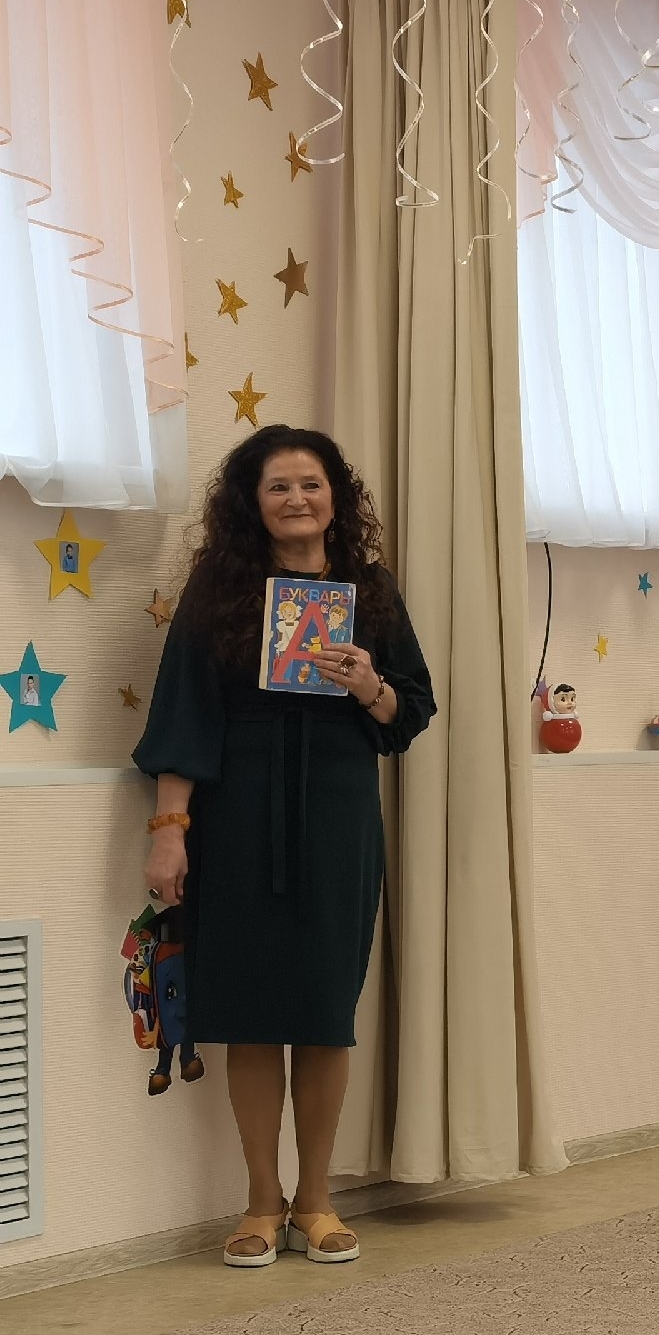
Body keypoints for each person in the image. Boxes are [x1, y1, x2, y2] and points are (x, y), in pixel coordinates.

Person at [135, 426, 436, 1270]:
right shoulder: (219, 588)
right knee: (251, 1014)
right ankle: (262, 1201)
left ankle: (317, 1200)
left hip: (339, 815)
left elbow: (411, 710)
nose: (297, 499)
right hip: (237, 815)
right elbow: (184, 715)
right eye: (278, 486)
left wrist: (369, 686)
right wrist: (169, 834)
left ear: (336, 496)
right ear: (253, 502)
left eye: (311, 484)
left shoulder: (369, 589)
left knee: (324, 1013)